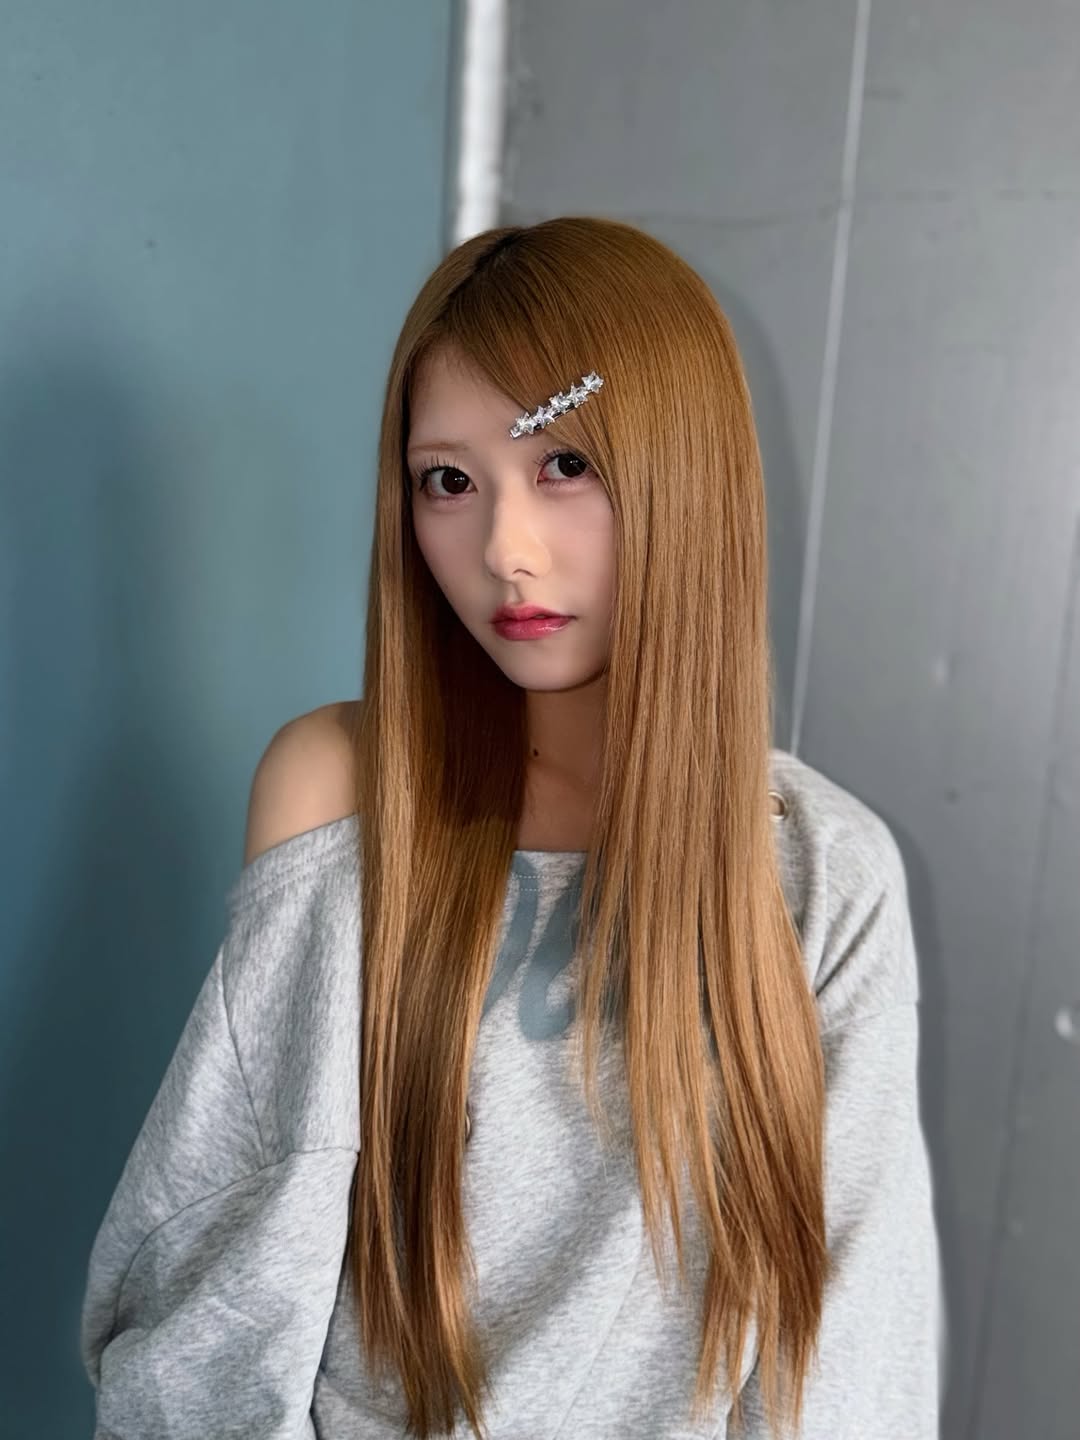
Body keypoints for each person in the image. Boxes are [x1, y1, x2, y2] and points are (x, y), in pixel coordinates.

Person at [79, 216, 943, 1439]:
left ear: (687, 470)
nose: (503, 549)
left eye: (564, 465)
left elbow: (847, 1358)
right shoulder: (343, 790)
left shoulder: (820, 871)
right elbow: (223, 1297)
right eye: (449, 481)